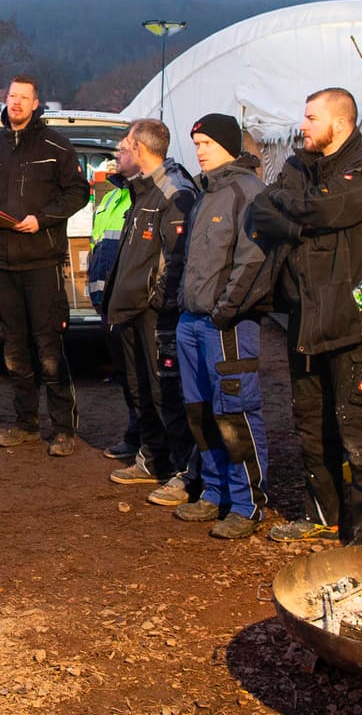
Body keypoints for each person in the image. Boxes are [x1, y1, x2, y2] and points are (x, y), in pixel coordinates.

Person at [253, 88, 362, 545]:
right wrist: (301, 222)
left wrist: (298, 212)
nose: (302, 125)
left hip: (349, 323)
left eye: (311, 117)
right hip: (303, 320)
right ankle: (321, 515)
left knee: (358, 432)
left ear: (341, 123)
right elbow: (260, 209)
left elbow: (326, 206)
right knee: (310, 426)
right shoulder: (297, 164)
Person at [0, 75, 90, 456]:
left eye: (24, 97)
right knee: (13, 349)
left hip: (42, 261)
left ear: (37, 103)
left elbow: (79, 192)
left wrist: (43, 218)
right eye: (11, 97)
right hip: (3, 263)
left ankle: (64, 429)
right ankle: (25, 422)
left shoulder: (57, 145)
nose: (16, 103)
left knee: (49, 349)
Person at [173, 114, 273, 539]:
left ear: (230, 145)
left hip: (227, 325)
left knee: (235, 413)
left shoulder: (247, 192)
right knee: (200, 413)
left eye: (208, 142)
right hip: (192, 323)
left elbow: (253, 261)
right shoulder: (205, 194)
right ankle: (213, 492)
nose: (200, 149)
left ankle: (247, 503)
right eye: (196, 142)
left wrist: (225, 311)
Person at [99, 120, 199, 498]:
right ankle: (154, 457)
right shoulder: (139, 190)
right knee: (141, 388)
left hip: (153, 314)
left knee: (164, 392)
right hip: (130, 311)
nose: (120, 150)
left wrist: (154, 303)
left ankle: (184, 470)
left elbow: (176, 259)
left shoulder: (173, 192)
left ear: (140, 148)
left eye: (125, 143)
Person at [86, 156, 143, 462]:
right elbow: (98, 248)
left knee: (140, 375)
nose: (117, 158)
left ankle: (147, 442)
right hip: (107, 302)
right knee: (126, 373)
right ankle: (136, 435)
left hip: (131, 303)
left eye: (123, 152)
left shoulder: (140, 197)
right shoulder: (110, 198)